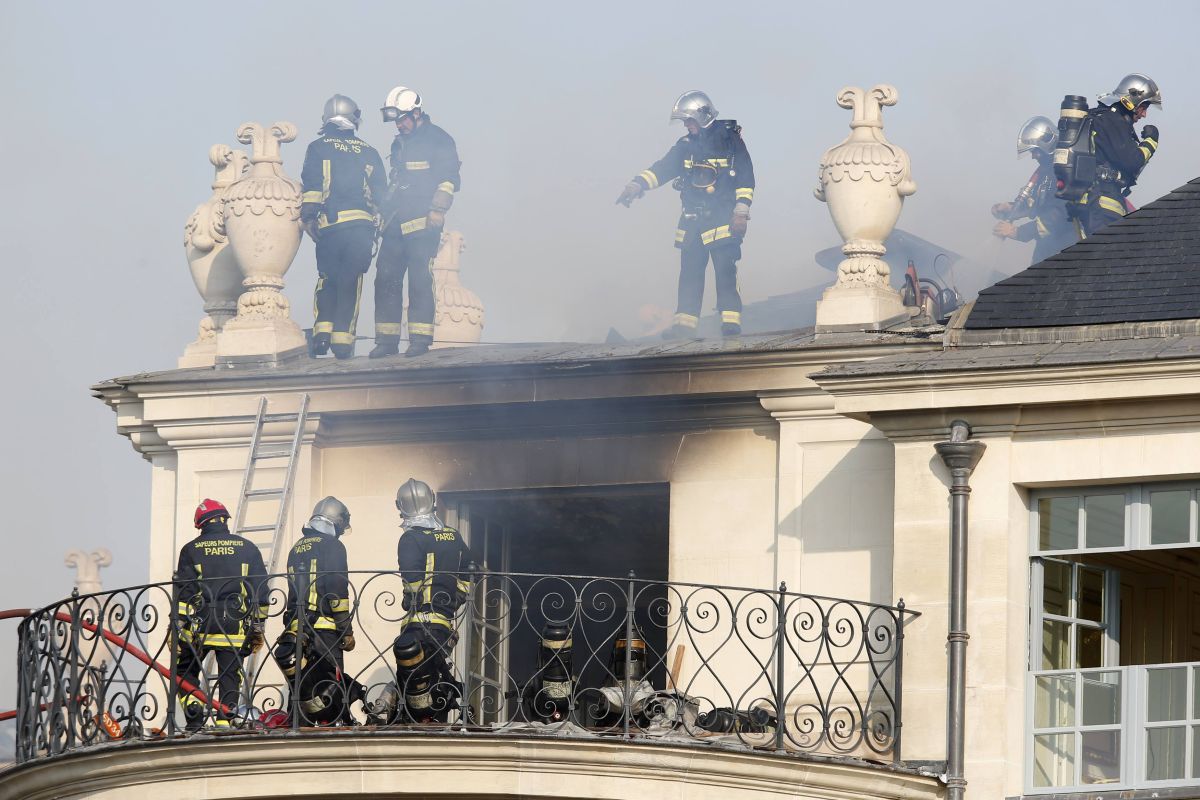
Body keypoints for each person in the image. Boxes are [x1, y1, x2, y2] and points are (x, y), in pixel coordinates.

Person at [617, 90, 756, 339]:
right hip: (692, 221)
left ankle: (730, 323)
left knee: (725, 270)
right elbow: (663, 168)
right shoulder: (686, 145)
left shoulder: (730, 141)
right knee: (690, 274)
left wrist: (741, 212)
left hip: (722, 219)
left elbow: (746, 177)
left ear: (702, 116)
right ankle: (685, 326)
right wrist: (637, 184)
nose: (686, 125)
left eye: (689, 120)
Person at [365, 478, 473, 723]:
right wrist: (457, 595)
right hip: (443, 621)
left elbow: (411, 580)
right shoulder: (452, 535)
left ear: (401, 506)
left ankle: (385, 710)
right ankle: (435, 714)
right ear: (432, 500)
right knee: (432, 671)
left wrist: (409, 601)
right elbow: (470, 568)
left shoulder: (410, 538)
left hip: (418, 622)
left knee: (410, 674)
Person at [371, 87, 462, 359]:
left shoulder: (439, 139)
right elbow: (397, 181)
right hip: (396, 222)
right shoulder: (400, 142)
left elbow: (449, 179)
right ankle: (386, 341)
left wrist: (438, 209)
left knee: (420, 278)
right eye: (396, 120)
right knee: (385, 277)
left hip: (424, 221)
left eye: (402, 119)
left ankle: (420, 340)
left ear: (417, 113)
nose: (399, 125)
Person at [299, 95, 387, 360]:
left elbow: (313, 186)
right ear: (354, 119)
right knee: (351, 281)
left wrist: (309, 217)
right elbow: (381, 194)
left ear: (327, 119)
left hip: (330, 227)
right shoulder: (369, 151)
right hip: (360, 228)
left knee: (328, 277)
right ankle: (342, 341)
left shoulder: (317, 147)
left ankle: (321, 335)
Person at [173, 499, 269, 731]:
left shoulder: (191, 549)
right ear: (224, 520)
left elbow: (184, 593)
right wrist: (258, 626)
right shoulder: (247, 548)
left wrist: (176, 628)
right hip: (234, 624)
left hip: (200, 626)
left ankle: (194, 713)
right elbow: (261, 592)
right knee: (230, 674)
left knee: (184, 668)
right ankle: (225, 720)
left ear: (200, 523)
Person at [274, 496, 364, 725]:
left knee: (301, 684)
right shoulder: (333, 545)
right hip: (324, 631)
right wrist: (346, 631)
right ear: (335, 522)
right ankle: (336, 724)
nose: (340, 533)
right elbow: (337, 589)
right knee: (331, 684)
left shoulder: (296, 547)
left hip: (296, 630)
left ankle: (298, 725)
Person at [1078, 73, 1161, 236]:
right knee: (1105, 250)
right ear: (1132, 101)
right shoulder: (1112, 120)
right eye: (1143, 107)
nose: (1144, 114)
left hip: (1089, 202)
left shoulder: (1098, 116)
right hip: (1103, 203)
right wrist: (1151, 141)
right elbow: (1133, 161)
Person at [991, 116, 1077, 264]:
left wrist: (1017, 232)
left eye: (1035, 150)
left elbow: (1059, 214)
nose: (1033, 156)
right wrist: (1010, 208)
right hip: (1047, 248)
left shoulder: (1065, 170)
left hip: (1065, 247)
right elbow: (1037, 205)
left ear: (1048, 143)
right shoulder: (1047, 172)